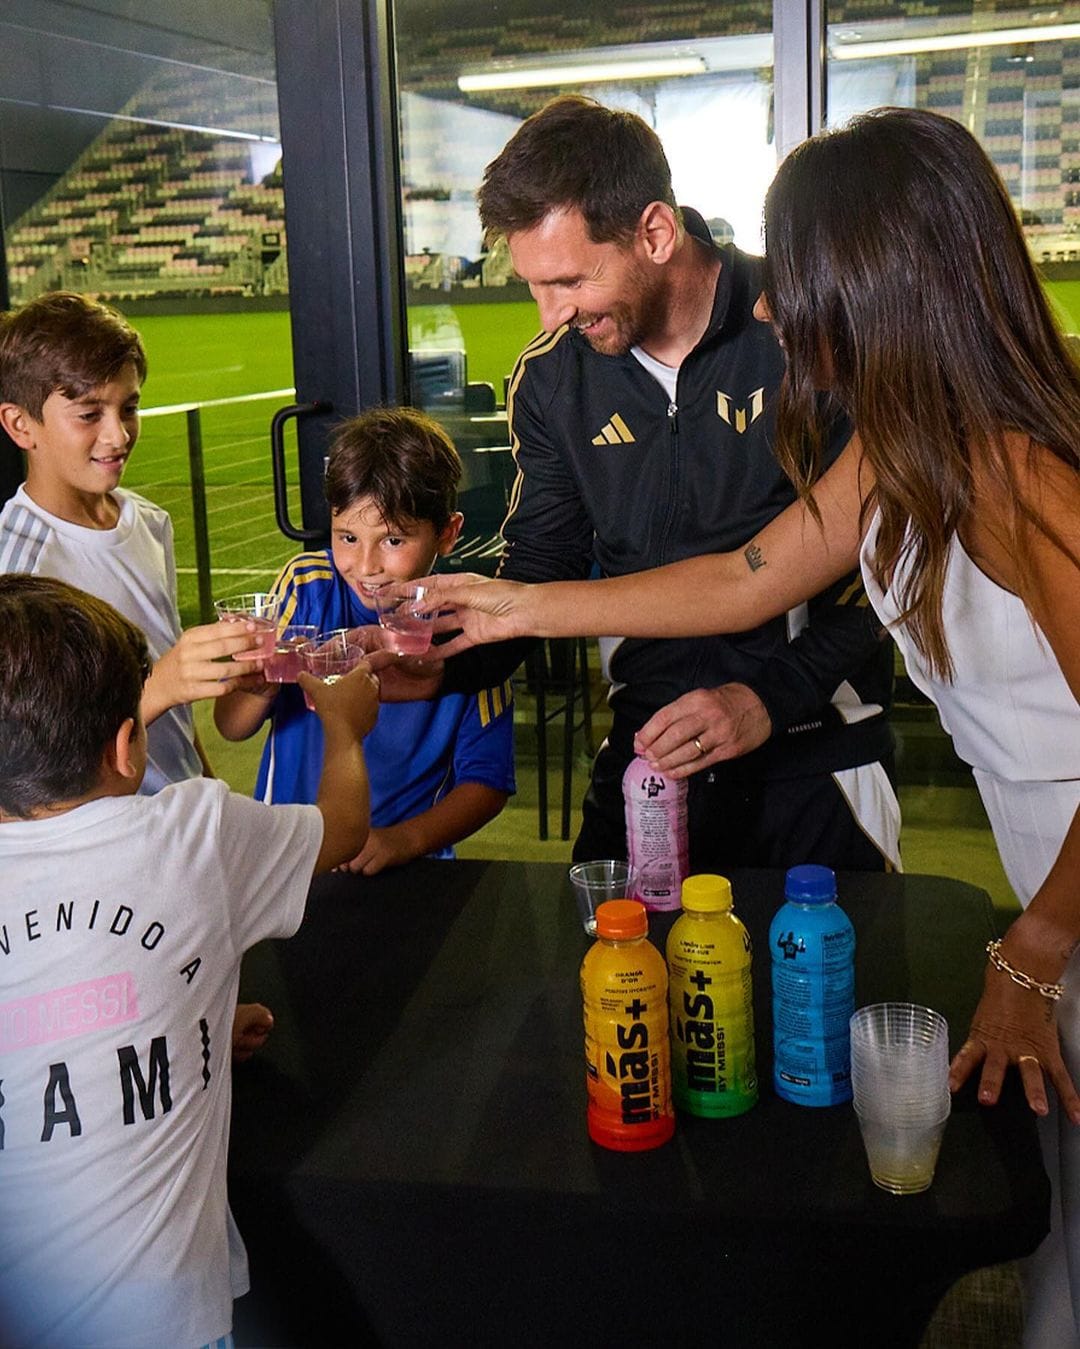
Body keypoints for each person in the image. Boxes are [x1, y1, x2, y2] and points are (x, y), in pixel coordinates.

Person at [429, 107, 1080, 1345]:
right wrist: (500, 605)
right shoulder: (906, 431)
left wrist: (1029, 951)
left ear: (885, 281)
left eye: (805, 277)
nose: (778, 311)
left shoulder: (1022, 466)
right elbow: (742, 576)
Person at [437, 93, 900, 875]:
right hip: (648, 759)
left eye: (570, 279)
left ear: (655, 232)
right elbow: (540, 565)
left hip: (814, 761)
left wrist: (768, 698)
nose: (548, 316)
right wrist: (434, 659)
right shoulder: (550, 380)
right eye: (532, 285)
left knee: (822, 996)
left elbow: (877, 568)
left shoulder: (804, 327)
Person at [0, 572, 379, 1348]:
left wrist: (180, 1010)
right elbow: (340, 830)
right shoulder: (194, 833)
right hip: (162, 1323)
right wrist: (344, 728)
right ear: (125, 742)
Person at [0, 290, 282, 1057]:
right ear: (20, 423)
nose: (118, 433)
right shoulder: (18, 565)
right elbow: (28, 767)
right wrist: (161, 683)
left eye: (129, 406)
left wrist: (241, 671)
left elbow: (181, 703)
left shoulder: (146, 522)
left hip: (180, 831)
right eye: (88, 413)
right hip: (99, 869)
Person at [214, 407, 514, 875]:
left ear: (448, 534)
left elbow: (488, 781)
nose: (366, 564)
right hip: (291, 857)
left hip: (408, 867)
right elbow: (231, 726)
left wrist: (403, 840)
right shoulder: (305, 588)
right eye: (347, 536)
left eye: (393, 541)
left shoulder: (473, 626)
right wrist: (258, 686)